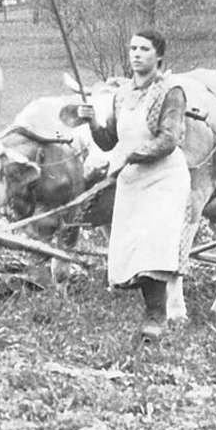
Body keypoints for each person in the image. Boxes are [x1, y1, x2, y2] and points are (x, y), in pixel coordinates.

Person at [73, 29, 192, 344]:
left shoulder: (171, 92)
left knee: (154, 247)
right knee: (135, 250)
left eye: (144, 49)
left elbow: (169, 139)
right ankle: (152, 311)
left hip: (164, 179)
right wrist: (91, 121)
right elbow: (109, 140)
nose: (136, 54)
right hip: (132, 181)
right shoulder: (122, 95)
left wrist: (132, 155)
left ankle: (155, 316)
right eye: (133, 48)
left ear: (159, 55)